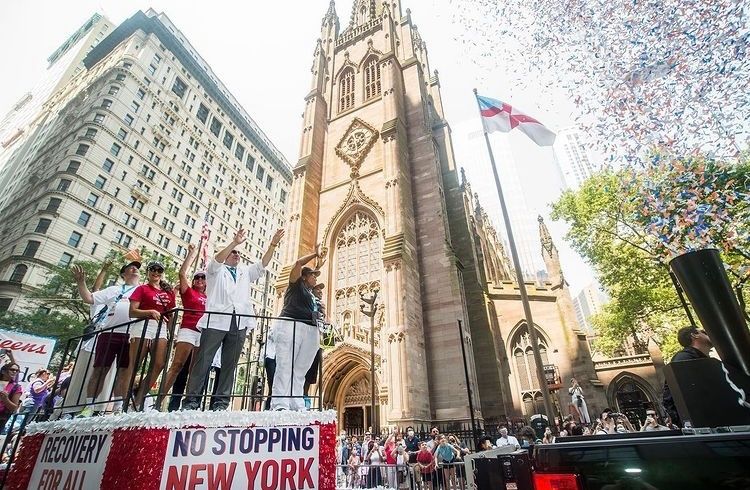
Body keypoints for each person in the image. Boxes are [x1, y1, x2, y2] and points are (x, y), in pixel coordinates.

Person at [182, 228, 284, 411]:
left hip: (239, 322)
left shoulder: (245, 271)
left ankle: (221, 403)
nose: (237, 254)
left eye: (238, 252)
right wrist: (234, 242)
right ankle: (191, 401)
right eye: (233, 252)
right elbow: (217, 260)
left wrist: (273, 244)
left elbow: (262, 265)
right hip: (216, 320)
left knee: (230, 364)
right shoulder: (214, 270)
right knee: (203, 361)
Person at [73, 260, 141, 416]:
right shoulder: (114, 289)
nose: (134, 269)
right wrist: (81, 282)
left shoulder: (143, 290)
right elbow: (89, 298)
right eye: (130, 268)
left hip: (132, 335)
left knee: (124, 371)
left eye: (136, 268)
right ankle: (90, 407)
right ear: (123, 274)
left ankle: (118, 407)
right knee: (100, 370)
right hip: (109, 333)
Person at [270, 243, 325, 410]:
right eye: (313, 275)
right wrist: (314, 254)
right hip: (289, 324)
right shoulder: (295, 285)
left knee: (301, 369)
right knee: (285, 365)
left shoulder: (310, 294)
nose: (316, 278)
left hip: (310, 329)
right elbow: (297, 265)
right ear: (304, 277)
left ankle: (296, 401)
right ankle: (280, 403)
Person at [158, 244, 206, 407]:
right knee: (177, 365)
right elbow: (181, 273)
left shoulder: (209, 296)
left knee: (195, 371)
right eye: (197, 278)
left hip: (202, 333)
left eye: (202, 278)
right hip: (188, 329)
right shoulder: (189, 292)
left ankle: (189, 405)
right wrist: (191, 254)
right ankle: (158, 402)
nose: (200, 280)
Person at [128, 261, 176, 409]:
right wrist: (150, 312)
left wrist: (172, 334)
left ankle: (139, 399)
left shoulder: (168, 292)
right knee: (135, 365)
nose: (156, 272)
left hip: (161, 328)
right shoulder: (142, 289)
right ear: (148, 272)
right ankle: (124, 402)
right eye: (153, 270)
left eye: (159, 270)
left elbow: (171, 315)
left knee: (159, 364)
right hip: (143, 325)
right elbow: (132, 311)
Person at [662, 326, 712, 426]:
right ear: (694, 335)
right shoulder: (684, 358)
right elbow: (672, 393)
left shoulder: (704, 359)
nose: (708, 333)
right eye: (703, 332)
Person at [0, 363, 22, 429]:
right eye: (12, 369)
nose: (15, 372)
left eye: (17, 370)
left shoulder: (16, 387)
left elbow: (14, 408)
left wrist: (5, 399)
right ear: (4, 371)